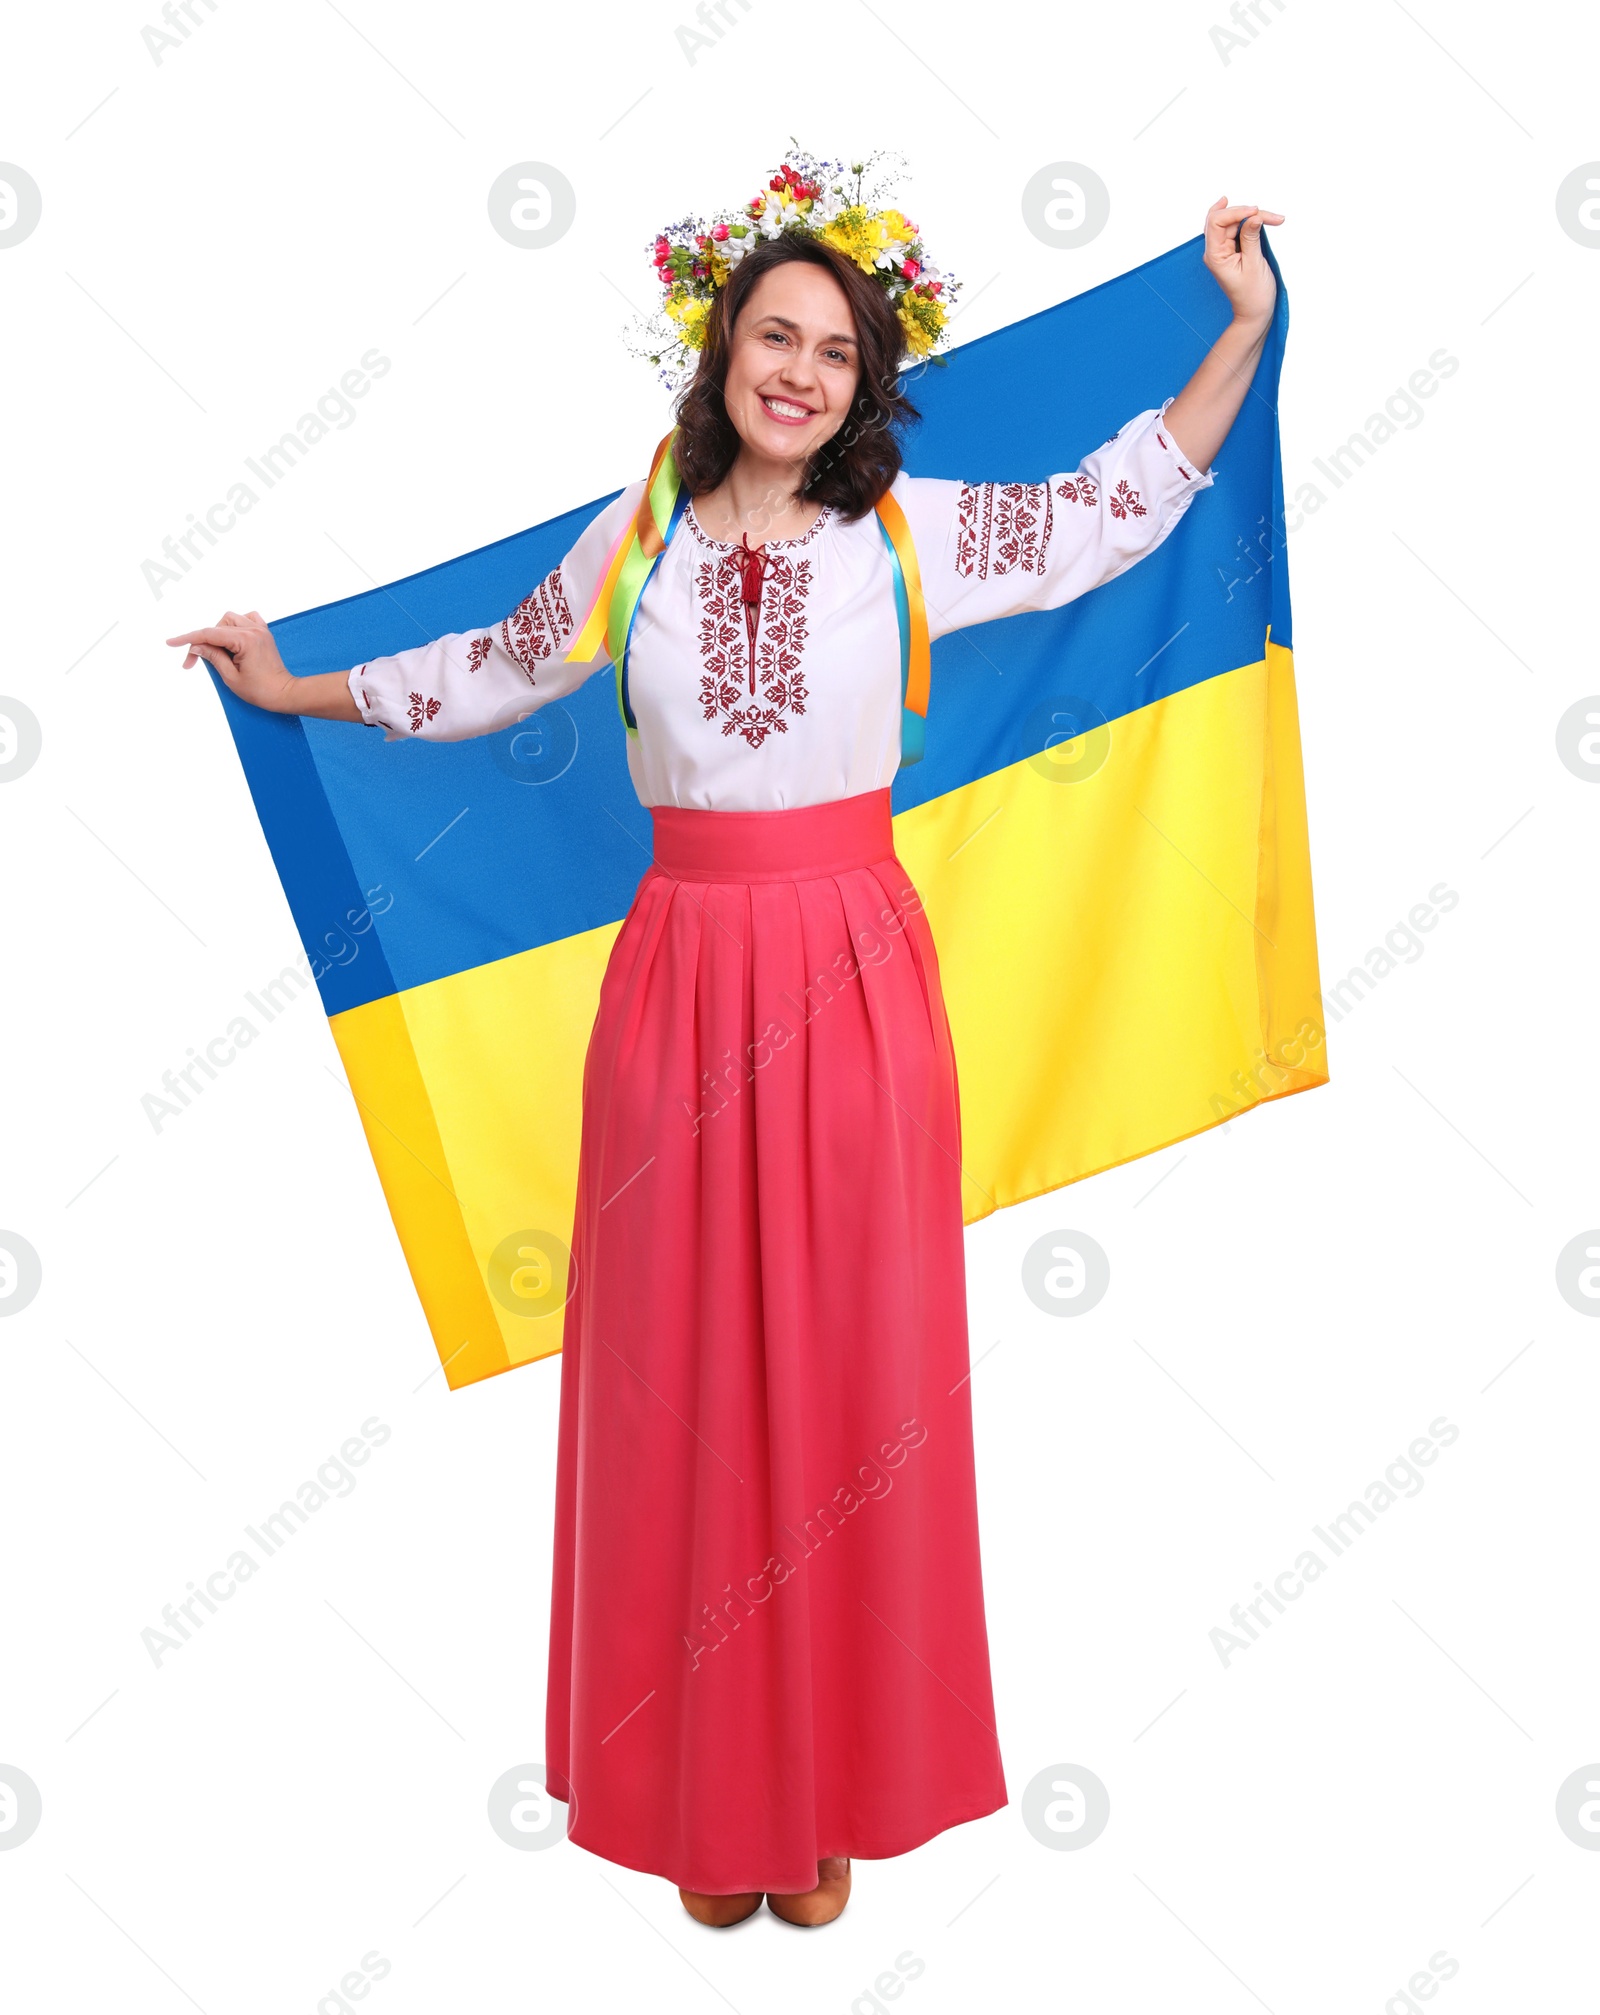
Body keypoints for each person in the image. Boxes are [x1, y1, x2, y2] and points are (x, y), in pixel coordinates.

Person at [171, 190, 1283, 1930]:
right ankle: (711, 1796)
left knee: (850, 1383)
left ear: (863, 388)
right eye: (777, 335)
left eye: (837, 353)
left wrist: (1238, 333)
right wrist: (296, 684)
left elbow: (1100, 519)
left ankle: (831, 1788)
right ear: (720, 349)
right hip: (677, 981)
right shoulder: (640, 540)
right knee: (684, 1376)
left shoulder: (910, 532)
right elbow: (491, 670)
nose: (802, 372)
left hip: (851, 970)